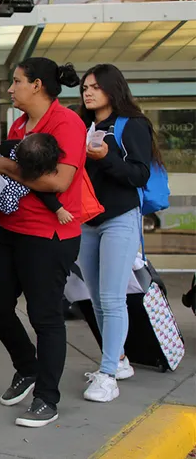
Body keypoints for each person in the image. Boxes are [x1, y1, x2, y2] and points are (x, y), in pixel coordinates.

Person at [0, 57, 85, 428]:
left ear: (37, 85)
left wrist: (1, 165)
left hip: (48, 236)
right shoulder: (22, 124)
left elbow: (58, 182)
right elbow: (18, 185)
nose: (11, 89)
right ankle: (28, 368)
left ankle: (47, 398)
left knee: (45, 317)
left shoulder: (67, 123)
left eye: (17, 81)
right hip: (9, 228)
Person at [77, 64, 162, 402]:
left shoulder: (131, 125)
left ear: (113, 89)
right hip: (87, 221)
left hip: (119, 219)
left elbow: (139, 174)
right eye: (85, 86)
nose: (88, 92)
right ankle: (120, 360)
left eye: (95, 86)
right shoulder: (83, 124)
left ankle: (108, 373)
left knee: (113, 299)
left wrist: (106, 156)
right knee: (95, 298)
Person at [0, 133, 74, 227]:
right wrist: (60, 210)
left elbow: (3, 146)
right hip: (0, 194)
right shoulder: (32, 176)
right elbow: (45, 194)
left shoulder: (10, 150)